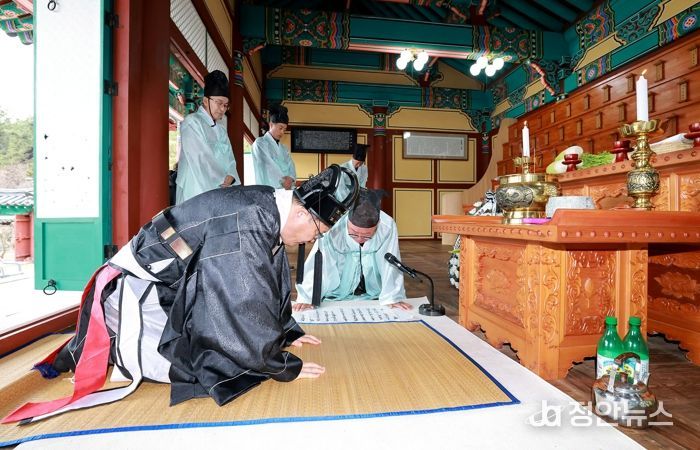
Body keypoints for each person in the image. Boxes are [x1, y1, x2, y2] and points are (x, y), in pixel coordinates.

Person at [2, 165, 359, 425]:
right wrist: (278, 364)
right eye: (317, 231)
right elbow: (242, 300)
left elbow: (267, 275)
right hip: (137, 291)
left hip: (173, 287)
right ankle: (111, 342)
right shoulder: (251, 220)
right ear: (301, 211)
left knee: (232, 341)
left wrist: (285, 332)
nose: (312, 239)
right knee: (201, 365)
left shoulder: (268, 204)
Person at [293, 189, 412, 312]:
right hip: (339, 282)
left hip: (373, 284)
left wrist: (392, 297)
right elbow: (320, 262)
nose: (359, 239)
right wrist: (308, 297)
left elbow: (389, 263)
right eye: (354, 233)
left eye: (367, 235)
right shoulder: (335, 224)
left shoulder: (387, 226)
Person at [175, 70, 240, 205]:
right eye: (219, 103)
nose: (222, 109)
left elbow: (231, 160)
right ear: (205, 101)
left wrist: (231, 176)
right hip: (195, 191)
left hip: (222, 190)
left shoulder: (222, 131)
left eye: (225, 105)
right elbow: (201, 159)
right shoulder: (192, 123)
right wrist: (223, 179)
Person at [252, 105, 296, 189]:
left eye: (284, 129)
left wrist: (291, 178)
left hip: (287, 188)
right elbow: (268, 165)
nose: (282, 132)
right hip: (268, 188)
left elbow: (291, 165)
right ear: (271, 125)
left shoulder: (284, 148)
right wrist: (283, 181)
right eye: (280, 128)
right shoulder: (260, 143)